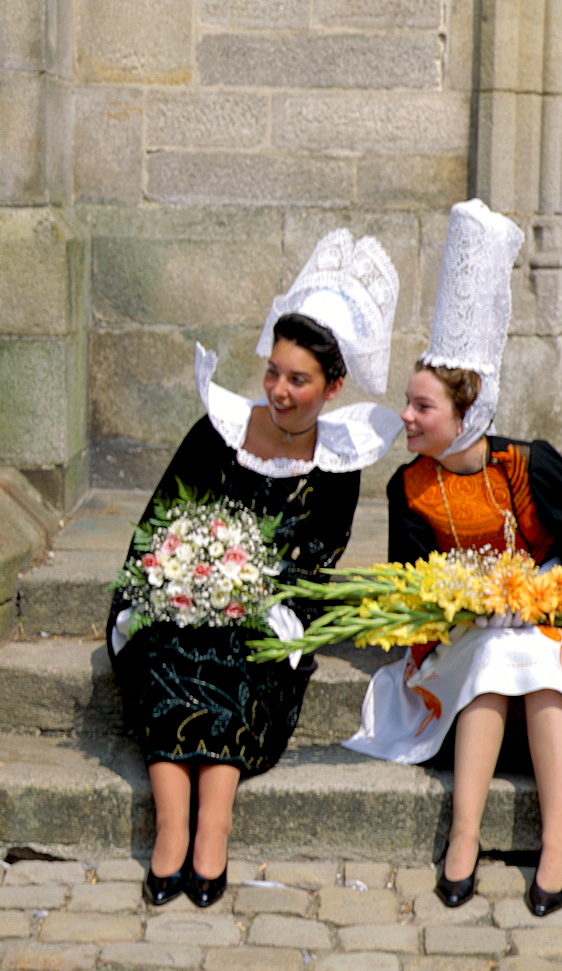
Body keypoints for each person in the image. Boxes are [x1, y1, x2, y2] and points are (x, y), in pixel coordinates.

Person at [343, 200, 562, 916]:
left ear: (467, 416)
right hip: (468, 629)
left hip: (549, 619)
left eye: (422, 407)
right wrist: (461, 602)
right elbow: (410, 585)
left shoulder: (526, 465)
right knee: (492, 655)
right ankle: (464, 837)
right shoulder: (410, 487)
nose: (406, 416)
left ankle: (557, 840)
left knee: (536, 654)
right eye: (407, 401)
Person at [107, 229, 401, 908]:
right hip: (179, 590)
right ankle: (170, 827)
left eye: (297, 380)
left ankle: (214, 822)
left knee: (237, 657)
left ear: (332, 387)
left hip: (269, 607)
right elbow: (161, 520)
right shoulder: (220, 427)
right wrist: (177, 579)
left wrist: (243, 595)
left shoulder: (336, 464)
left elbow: (312, 563)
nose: (277, 389)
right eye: (272, 371)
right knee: (168, 644)